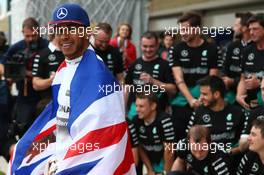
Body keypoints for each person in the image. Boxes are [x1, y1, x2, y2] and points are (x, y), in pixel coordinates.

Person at [170, 12, 220, 140]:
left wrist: (202, 98)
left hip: (204, 101)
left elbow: (212, 79)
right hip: (182, 101)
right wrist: (191, 99)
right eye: (181, 29)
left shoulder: (212, 49)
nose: (182, 33)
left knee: (202, 139)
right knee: (179, 140)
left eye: (186, 29)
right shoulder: (176, 49)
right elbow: (178, 79)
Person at [1, 17, 48, 137]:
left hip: (44, 95)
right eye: (27, 36)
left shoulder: (47, 46)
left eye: (33, 35)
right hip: (24, 94)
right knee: (23, 127)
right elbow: (3, 64)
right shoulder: (17, 47)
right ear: (23, 33)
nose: (31, 39)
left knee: (44, 128)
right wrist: (10, 74)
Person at [125, 31, 176, 121]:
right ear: (140, 46)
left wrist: (154, 81)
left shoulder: (165, 65)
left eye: (151, 46)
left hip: (157, 115)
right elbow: (127, 88)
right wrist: (123, 109)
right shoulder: (134, 64)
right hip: (135, 114)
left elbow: (173, 90)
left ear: (157, 46)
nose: (148, 49)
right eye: (145, 46)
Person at [186, 76, 245, 151]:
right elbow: (188, 139)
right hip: (206, 159)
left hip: (231, 158)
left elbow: (244, 142)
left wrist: (228, 153)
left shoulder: (238, 113)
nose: (200, 98)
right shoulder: (198, 112)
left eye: (204, 94)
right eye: (201, 94)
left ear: (216, 94)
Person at [128, 92, 175, 175]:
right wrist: (149, 169)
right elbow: (138, 146)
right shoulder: (135, 121)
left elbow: (169, 150)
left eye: (141, 106)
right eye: (136, 106)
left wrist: (165, 173)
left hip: (166, 162)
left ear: (153, 106)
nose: (137, 110)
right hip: (148, 162)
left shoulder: (164, 120)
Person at [222, 12, 253, 104]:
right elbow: (224, 68)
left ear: (244, 28)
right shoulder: (232, 46)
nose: (233, 28)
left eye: (236, 25)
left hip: (250, 93)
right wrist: (225, 80)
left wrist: (233, 81)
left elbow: (254, 75)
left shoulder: (257, 47)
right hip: (230, 92)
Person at [237, 13, 264, 110]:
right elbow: (242, 78)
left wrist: (260, 83)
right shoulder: (246, 51)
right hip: (249, 106)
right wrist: (239, 95)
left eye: (255, 29)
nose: (251, 32)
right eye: (250, 29)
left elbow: (258, 82)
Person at [32, 34, 65, 115]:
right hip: (49, 102)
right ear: (56, 34)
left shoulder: (71, 53)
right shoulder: (42, 54)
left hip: (70, 101)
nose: (66, 36)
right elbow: (36, 84)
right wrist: (53, 80)